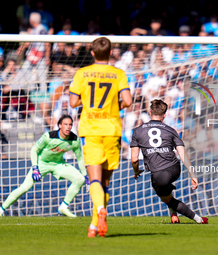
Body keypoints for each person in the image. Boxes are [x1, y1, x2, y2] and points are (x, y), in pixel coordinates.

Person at [69, 37, 132, 237]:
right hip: (112, 130)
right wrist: (114, 107)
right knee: (105, 183)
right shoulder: (118, 74)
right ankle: (94, 226)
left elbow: (72, 102)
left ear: (93, 52)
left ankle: (98, 212)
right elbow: (128, 101)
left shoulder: (82, 73)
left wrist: (88, 102)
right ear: (110, 52)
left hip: (91, 130)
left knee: (93, 180)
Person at [130, 99, 208, 224]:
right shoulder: (171, 130)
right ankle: (174, 215)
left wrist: (135, 171)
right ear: (164, 115)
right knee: (165, 187)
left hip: (159, 172)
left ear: (150, 112)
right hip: (175, 168)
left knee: (166, 197)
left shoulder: (138, 131)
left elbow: (134, 159)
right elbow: (182, 154)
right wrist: (192, 175)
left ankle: (199, 219)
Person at [0, 115, 88, 217]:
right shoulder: (48, 136)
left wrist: (86, 176)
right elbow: (34, 149)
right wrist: (35, 167)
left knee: (80, 179)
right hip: (41, 163)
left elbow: (79, 158)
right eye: (65, 124)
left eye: (70, 124)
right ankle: (0, 210)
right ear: (59, 126)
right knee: (24, 188)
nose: (68, 127)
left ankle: (63, 207)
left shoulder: (75, 140)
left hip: (58, 164)